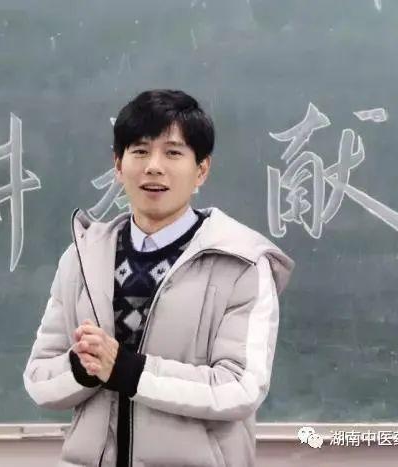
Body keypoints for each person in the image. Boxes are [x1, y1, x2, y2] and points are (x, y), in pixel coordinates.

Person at [23, 89, 294, 466]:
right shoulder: (83, 257)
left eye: (173, 153)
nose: (153, 166)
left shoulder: (241, 263)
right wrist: (84, 367)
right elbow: (39, 378)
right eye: (139, 151)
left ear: (201, 170)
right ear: (118, 165)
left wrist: (127, 371)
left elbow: (240, 387)